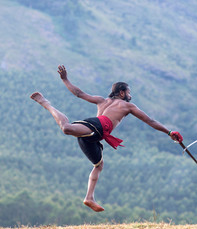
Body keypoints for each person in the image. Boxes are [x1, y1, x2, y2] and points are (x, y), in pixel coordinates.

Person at [30, 65, 183, 212]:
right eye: (129, 93)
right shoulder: (127, 106)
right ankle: (46, 104)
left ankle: (89, 198)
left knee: (98, 165)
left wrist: (65, 80)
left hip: (92, 136)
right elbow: (150, 121)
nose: (131, 96)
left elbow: (79, 93)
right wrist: (169, 132)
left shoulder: (101, 100)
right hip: (98, 126)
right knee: (67, 128)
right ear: (122, 93)